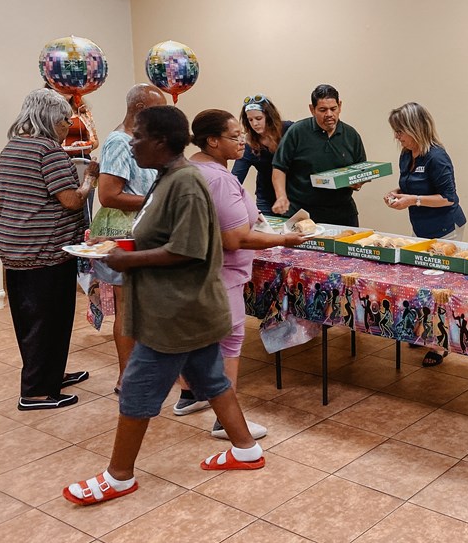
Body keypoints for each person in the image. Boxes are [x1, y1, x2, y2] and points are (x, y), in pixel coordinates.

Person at [63, 106, 265, 505]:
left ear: (159, 142)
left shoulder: (186, 183)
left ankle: (119, 476)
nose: (131, 144)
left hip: (176, 312)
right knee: (212, 380)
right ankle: (246, 449)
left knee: (137, 390)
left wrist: (126, 259)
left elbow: (188, 250)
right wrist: (123, 246)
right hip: (182, 309)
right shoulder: (165, 180)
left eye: (138, 138)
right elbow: (162, 235)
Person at [186, 109, 306, 437]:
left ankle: (189, 397)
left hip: (196, 273)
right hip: (222, 275)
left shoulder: (188, 168)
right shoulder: (220, 179)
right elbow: (234, 238)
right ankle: (226, 421)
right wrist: (286, 238)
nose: (242, 141)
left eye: (242, 135)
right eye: (234, 136)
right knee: (229, 344)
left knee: (200, 342)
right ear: (212, 141)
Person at [0, 88, 99, 410]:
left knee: (32, 320)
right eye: (66, 118)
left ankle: (50, 375)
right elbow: (71, 200)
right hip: (45, 251)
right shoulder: (49, 151)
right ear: (52, 119)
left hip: (15, 249)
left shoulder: (12, 148)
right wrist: (89, 178)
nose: (69, 124)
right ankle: (36, 392)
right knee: (50, 319)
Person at [93, 83, 167, 393]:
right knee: (127, 309)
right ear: (140, 111)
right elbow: (109, 195)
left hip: (142, 231)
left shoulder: (139, 141)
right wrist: (159, 199)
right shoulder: (119, 143)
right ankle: (127, 379)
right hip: (123, 233)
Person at [272, 84, 367, 225]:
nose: (329, 114)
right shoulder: (297, 132)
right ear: (312, 109)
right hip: (302, 213)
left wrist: (357, 181)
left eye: (333, 109)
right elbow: (279, 167)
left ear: (340, 106)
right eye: (323, 110)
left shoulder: (351, 135)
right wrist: (281, 197)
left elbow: (362, 169)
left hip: (342, 212)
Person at [384, 102, 466, 239]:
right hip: (420, 228)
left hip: (446, 229)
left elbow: (448, 198)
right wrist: (396, 193)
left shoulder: (437, 157)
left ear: (414, 129)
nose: (396, 137)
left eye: (399, 132)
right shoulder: (406, 154)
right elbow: (416, 185)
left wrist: (413, 200)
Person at [231, 94, 293, 214]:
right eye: (250, 120)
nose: (254, 124)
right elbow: (237, 177)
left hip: (295, 195)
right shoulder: (249, 143)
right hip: (266, 199)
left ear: (269, 117)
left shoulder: (289, 129)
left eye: (258, 119)